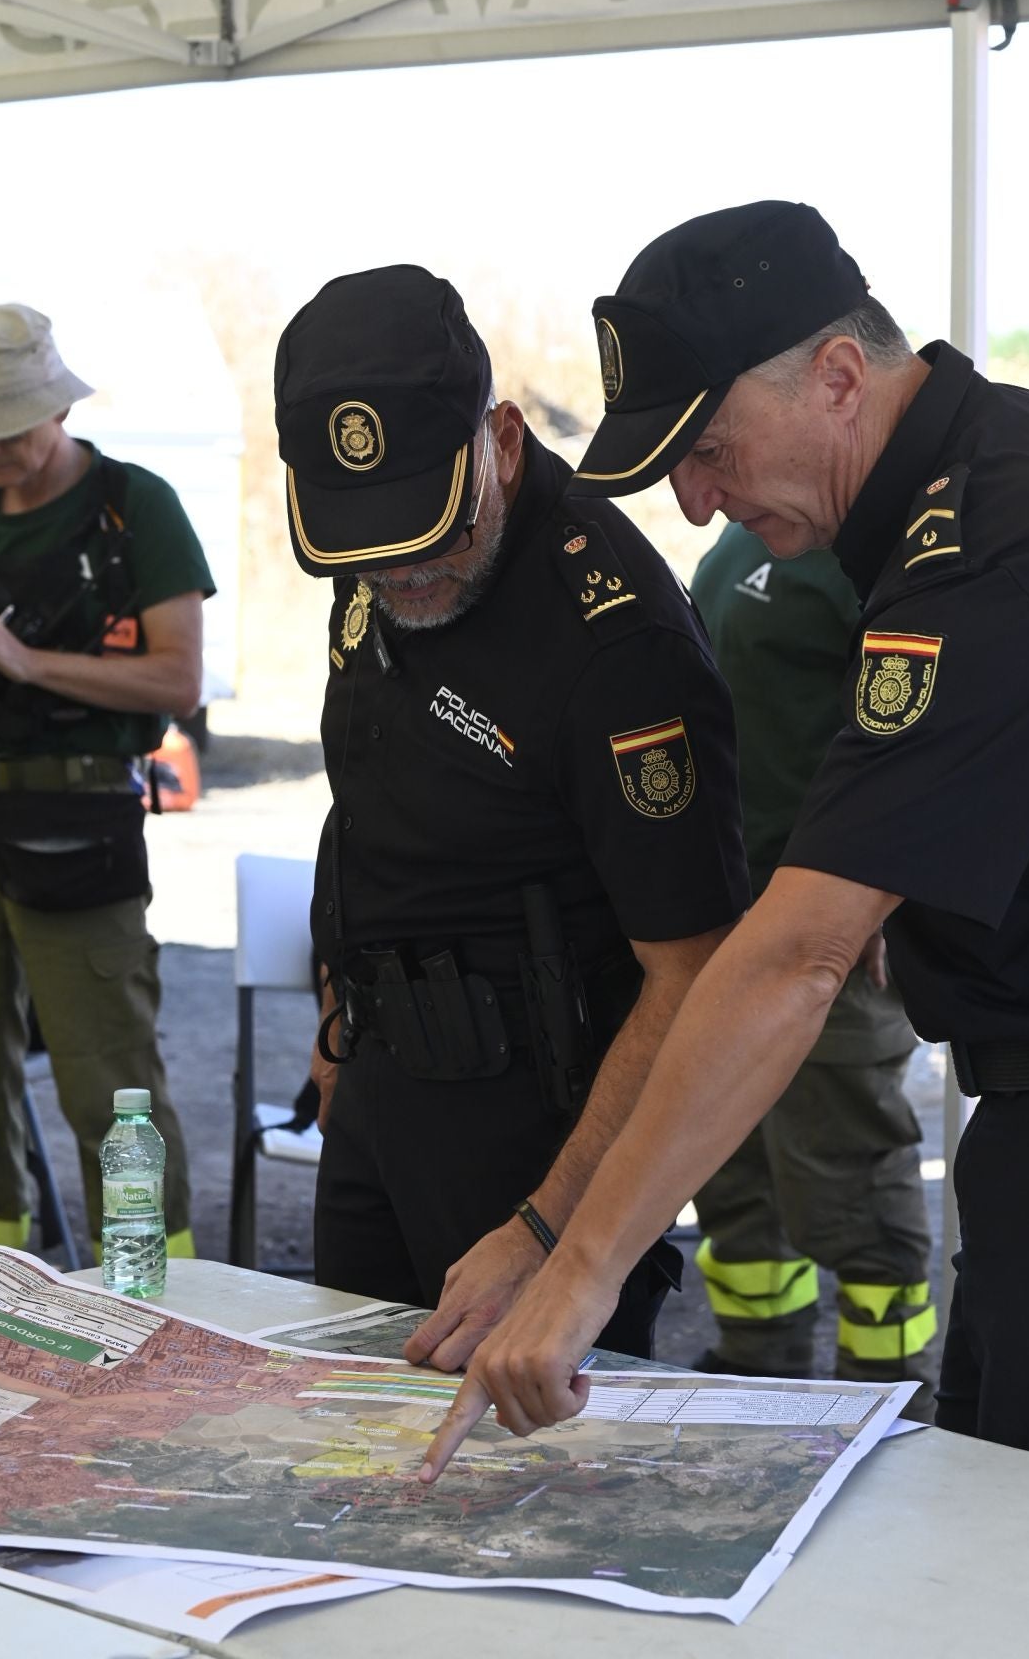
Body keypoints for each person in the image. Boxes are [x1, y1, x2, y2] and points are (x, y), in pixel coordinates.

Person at [422, 199, 1029, 1502]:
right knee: (1007, 1515)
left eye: (710, 448)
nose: (696, 504)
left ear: (839, 377)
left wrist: (578, 1269)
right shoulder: (996, 459)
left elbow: (798, 952)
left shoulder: (984, 540)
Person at [275, 265, 750, 1365]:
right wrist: (340, 1019)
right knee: (346, 1451)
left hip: (537, 1137)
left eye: (424, 531)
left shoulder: (615, 644)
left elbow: (691, 977)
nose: (397, 573)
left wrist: (548, 1230)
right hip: (378, 1085)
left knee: (527, 1501)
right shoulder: (383, 557)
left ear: (499, 435)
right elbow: (365, 800)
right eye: (365, 544)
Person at [0, 304, 210, 1255]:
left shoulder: (134, 506)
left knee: (106, 1081)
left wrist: (24, 661)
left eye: (11, 427)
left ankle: (157, 1298)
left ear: (57, 409)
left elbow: (178, 680)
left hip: (79, 819)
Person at [689, 527, 936, 1399]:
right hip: (726, 921)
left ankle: (887, 1385)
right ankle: (759, 1365)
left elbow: (917, 742)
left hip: (829, 933)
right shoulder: (746, 529)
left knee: (848, 1174)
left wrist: (881, 886)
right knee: (732, 1168)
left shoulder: (876, 557)